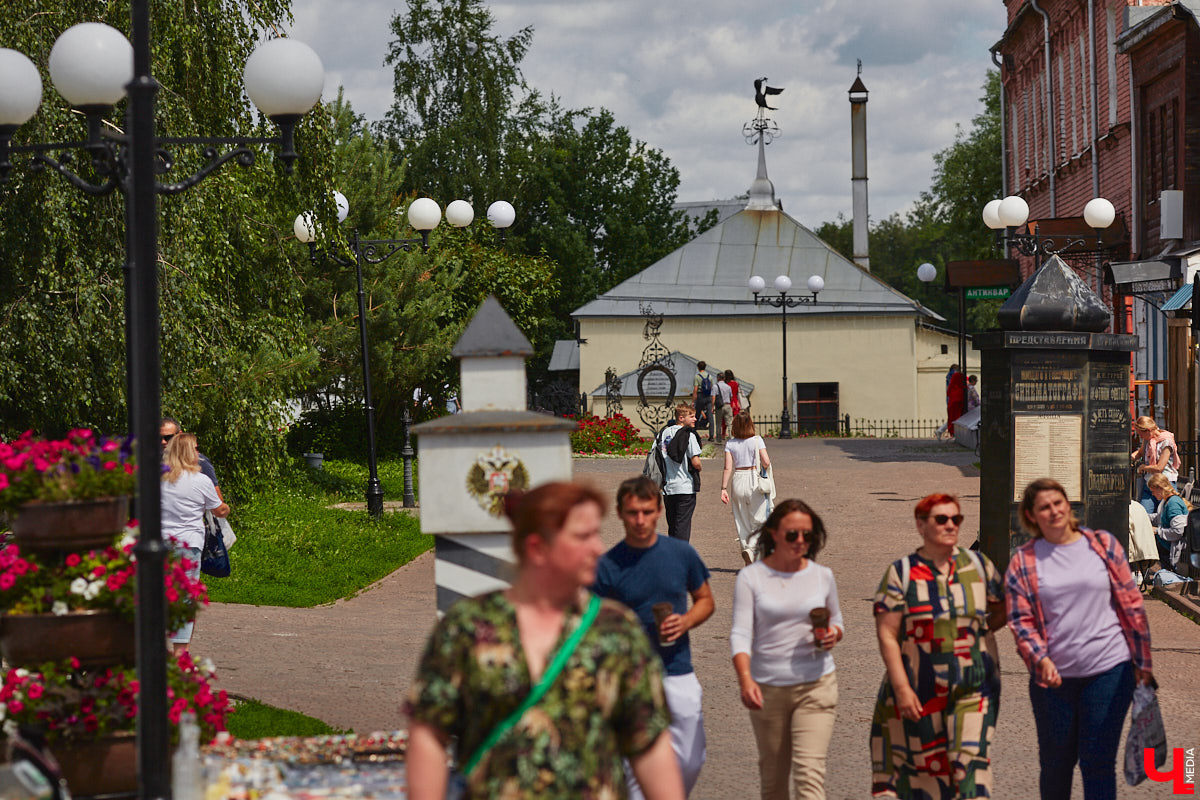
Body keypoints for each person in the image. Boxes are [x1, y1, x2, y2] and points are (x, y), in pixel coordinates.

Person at [405, 482, 685, 800]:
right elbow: (428, 733)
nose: (597, 547)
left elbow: (648, 745)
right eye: (583, 536)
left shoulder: (616, 630)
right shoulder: (468, 627)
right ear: (537, 548)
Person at [1006, 478, 1155, 800]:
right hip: (1053, 679)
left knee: (1098, 761)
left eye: (1058, 502)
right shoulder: (1024, 559)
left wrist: (1143, 663)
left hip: (1109, 670)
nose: (1054, 511)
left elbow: (1131, 603)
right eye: (1044, 507)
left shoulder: (1102, 544)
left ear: (1068, 505)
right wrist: (1039, 658)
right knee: (1056, 764)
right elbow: (1020, 620)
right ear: (1031, 516)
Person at [869, 493, 1004, 799]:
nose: (950, 525)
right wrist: (902, 688)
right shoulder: (901, 573)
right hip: (918, 689)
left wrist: (978, 636)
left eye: (956, 519)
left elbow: (1001, 607)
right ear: (921, 525)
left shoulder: (979, 566)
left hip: (973, 689)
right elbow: (888, 634)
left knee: (970, 770)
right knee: (922, 779)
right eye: (941, 519)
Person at [593, 476, 715, 798]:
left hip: (677, 669)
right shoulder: (607, 566)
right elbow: (589, 624)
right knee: (633, 767)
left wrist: (685, 620)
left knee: (692, 757)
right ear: (619, 513)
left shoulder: (681, 554)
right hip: (629, 678)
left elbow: (706, 600)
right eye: (632, 513)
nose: (640, 520)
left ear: (659, 509)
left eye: (647, 512)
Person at [731, 499, 842, 800]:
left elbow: (837, 621)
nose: (800, 541)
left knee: (809, 776)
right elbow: (741, 634)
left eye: (807, 535)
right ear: (774, 534)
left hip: (816, 685)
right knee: (774, 780)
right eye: (792, 534)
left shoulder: (822, 576)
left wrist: (833, 634)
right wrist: (745, 679)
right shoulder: (751, 578)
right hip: (768, 688)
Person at [161, 433, 230, 654]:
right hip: (188, 545)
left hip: (159, 544)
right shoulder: (201, 481)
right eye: (196, 449)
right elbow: (219, 509)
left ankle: (153, 645)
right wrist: (226, 508)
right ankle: (180, 652)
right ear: (189, 453)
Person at [720, 411, 773, 565]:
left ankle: (746, 549)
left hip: (738, 479)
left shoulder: (731, 443)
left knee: (741, 519)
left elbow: (727, 468)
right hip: (754, 478)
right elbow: (766, 461)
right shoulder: (757, 440)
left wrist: (723, 488)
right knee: (760, 519)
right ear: (751, 424)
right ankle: (751, 548)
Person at [661, 404, 703, 542]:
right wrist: (699, 467)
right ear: (681, 418)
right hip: (685, 486)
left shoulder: (664, 433)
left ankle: (672, 557)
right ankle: (680, 558)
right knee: (682, 527)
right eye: (691, 416)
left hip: (668, 487)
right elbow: (695, 461)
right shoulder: (688, 435)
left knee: (672, 526)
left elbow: (656, 455)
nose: (695, 419)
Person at [160, 417, 223, 502]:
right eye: (159, 438)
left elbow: (217, 500)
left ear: (179, 435)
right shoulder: (153, 461)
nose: (163, 442)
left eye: (168, 437)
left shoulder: (199, 460)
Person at [1132, 416, 1180, 514]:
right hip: (1149, 484)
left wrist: (1143, 467)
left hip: (1164, 485)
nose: (1140, 437)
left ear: (1148, 430)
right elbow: (1140, 453)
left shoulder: (1167, 442)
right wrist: (1127, 459)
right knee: (1144, 515)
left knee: (1166, 517)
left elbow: (1159, 468)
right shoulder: (1148, 439)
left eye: (1141, 435)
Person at [1146, 472, 1192, 572]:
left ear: (1160, 488)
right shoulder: (1166, 501)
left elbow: (1177, 532)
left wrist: (1157, 531)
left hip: (1172, 552)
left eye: (1153, 491)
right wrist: (1142, 516)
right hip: (1165, 548)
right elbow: (1159, 517)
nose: (1153, 494)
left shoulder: (1173, 504)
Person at [692, 362, 715, 442]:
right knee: (710, 416)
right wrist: (712, 402)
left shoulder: (697, 377)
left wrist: (693, 400)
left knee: (697, 415)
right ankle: (711, 435)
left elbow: (695, 389)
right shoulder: (710, 376)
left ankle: (693, 433)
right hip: (708, 397)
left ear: (698, 367)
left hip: (700, 396)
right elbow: (712, 389)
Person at [714, 374, 734, 442]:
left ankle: (719, 439)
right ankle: (731, 437)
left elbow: (713, 397)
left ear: (718, 378)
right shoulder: (728, 387)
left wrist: (712, 407)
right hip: (728, 405)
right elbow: (731, 397)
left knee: (718, 423)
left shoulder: (715, 386)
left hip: (719, 406)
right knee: (729, 422)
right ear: (724, 378)